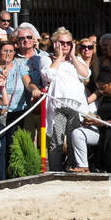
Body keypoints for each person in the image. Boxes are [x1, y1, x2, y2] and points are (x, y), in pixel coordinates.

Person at [44, 28, 90, 172]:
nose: (65, 45)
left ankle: (73, 168)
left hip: (76, 107)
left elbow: (85, 74)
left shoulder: (77, 60)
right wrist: (58, 57)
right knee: (56, 141)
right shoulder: (47, 59)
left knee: (73, 141)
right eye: (61, 42)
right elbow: (48, 75)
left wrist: (73, 56)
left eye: (68, 43)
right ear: (55, 43)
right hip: (57, 106)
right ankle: (55, 171)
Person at [72, 70, 111, 173]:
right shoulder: (103, 98)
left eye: (102, 88)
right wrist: (91, 120)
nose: (100, 91)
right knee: (77, 133)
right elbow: (101, 118)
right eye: (98, 88)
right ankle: (83, 166)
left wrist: (102, 123)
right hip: (103, 131)